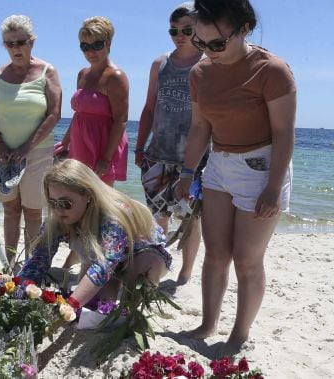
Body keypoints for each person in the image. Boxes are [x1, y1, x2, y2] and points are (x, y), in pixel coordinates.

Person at [174, 0, 295, 355]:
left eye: (216, 44)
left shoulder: (272, 71)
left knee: (246, 258)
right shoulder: (200, 73)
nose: (208, 52)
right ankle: (208, 323)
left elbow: (284, 133)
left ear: (243, 30)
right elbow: (200, 127)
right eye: (200, 43)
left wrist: (273, 188)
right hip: (219, 166)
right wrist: (186, 171)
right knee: (215, 252)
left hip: (262, 167)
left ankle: (239, 334)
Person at [19, 159, 171, 312]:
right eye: (53, 202)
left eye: (65, 203)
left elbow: (103, 267)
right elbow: (39, 257)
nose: (58, 209)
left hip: (142, 256)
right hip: (108, 262)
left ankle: (130, 308)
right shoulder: (57, 219)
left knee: (132, 281)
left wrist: (69, 306)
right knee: (97, 306)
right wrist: (21, 289)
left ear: (88, 195)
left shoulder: (112, 218)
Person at [0, 15, 62, 265]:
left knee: (33, 211)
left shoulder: (47, 71)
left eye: (20, 42)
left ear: (32, 42)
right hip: (3, 154)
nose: (15, 48)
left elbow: (54, 113)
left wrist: (28, 146)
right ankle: (9, 264)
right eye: (9, 43)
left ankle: (32, 265)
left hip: (37, 154)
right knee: (10, 209)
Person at [135, 2, 204, 285]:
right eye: (174, 30)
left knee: (191, 219)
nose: (180, 35)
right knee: (158, 217)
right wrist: (139, 147)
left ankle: (186, 272)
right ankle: (159, 265)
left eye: (187, 29)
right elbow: (149, 108)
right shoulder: (159, 63)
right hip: (158, 154)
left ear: (198, 28)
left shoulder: (208, 62)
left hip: (195, 159)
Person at [55, 16, 128, 187]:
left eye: (97, 45)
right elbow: (78, 114)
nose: (90, 52)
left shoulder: (115, 77)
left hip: (103, 145)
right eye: (85, 46)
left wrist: (106, 158)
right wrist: (65, 143)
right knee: (78, 196)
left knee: (101, 201)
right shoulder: (82, 74)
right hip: (79, 141)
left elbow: (121, 120)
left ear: (108, 43)